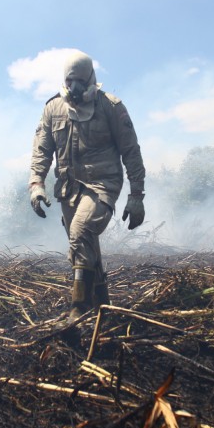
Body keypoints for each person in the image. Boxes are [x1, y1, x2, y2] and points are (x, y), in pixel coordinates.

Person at [29, 51, 146, 321]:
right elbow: (41, 151)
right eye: (70, 81)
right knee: (85, 247)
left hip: (103, 184)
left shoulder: (111, 107)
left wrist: (136, 195)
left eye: (80, 81)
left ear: (91, 78)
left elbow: (131, 151)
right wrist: (36, 184)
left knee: (80, 232)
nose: (75, 88)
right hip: (69, 190)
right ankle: (103, 309)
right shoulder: (53, 109)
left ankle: (78, 309)